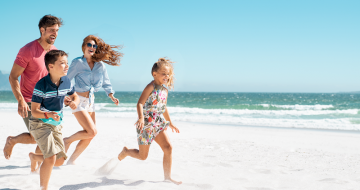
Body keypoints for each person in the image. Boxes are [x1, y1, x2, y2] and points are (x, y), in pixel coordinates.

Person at [4, 15, 63, 160]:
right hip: (30, 101)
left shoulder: (54, 51)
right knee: (39, 136)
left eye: (56, 30)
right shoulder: (27, 50)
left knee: (41, 136)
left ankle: (35, 163)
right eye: (51, 30)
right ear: (42, 30)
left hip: (48, 102)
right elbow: (13, 77)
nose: (54, 33)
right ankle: (12, 141)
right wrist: (21, 101)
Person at [117, 58, 182, 185]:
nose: (166, 76)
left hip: (158, 123)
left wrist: (170, 122)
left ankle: (167, 177)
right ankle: (126, 151)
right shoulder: (150, 87)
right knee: (143, 156)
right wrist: (141, 117)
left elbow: (163, 108)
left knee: (168, 148)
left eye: (168, 74)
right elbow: (140, 103)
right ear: (155, 74)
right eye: (164, 73)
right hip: (146, 124)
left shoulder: (165, 91)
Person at [64, 35, 122, 164]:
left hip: (91, 102)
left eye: (94, 46)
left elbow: (106, 82)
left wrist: (111, 95)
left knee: (91, 135)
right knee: (91, 130)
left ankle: (71, 161)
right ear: (84, 46)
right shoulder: (77, 62)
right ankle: (67, 141)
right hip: (78, 100)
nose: (91, 47)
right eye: (89, 45)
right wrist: (65, 95)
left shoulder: (100, 65)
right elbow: (66, 79)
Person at [28, 50, 79, 190]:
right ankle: (43, 188)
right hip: (40, 123)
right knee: (50, 158)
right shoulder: (41, 85)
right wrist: (49, 114)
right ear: (50, 66)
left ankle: (35, 157)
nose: (66, 66)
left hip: (56, 124)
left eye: (67, 63)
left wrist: (74, 101)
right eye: (62, 63)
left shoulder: (66, 81)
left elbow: (75, 96)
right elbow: (34, 111)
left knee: (60, 160)